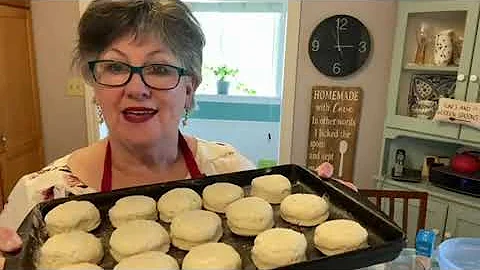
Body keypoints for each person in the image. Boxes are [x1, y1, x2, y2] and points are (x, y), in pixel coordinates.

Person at [0, 0, 338, 263]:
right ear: (95, 85)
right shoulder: (40, 196)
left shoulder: (232, 171)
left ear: (189, 89)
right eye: (116, 67)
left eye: (159, 69)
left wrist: (330, 218)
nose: (136, 88)